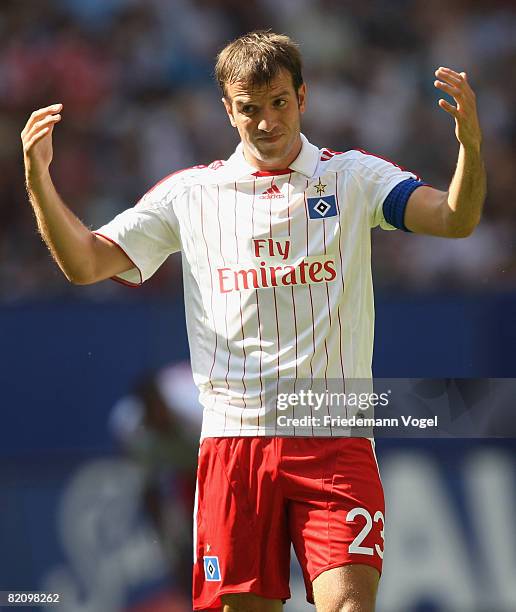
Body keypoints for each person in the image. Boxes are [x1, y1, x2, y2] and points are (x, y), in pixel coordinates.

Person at [21, 30, 485, 612]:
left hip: (334, 437)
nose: (266, 122)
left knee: (348, 605)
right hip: (234, 443)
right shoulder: (190, 194)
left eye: (278, 103)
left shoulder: (354, 177)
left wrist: (469, 146)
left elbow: (453, 218)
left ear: (303, 98)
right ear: (227, 109)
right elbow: (86, 262)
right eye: (249, 108)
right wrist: (39, 182)